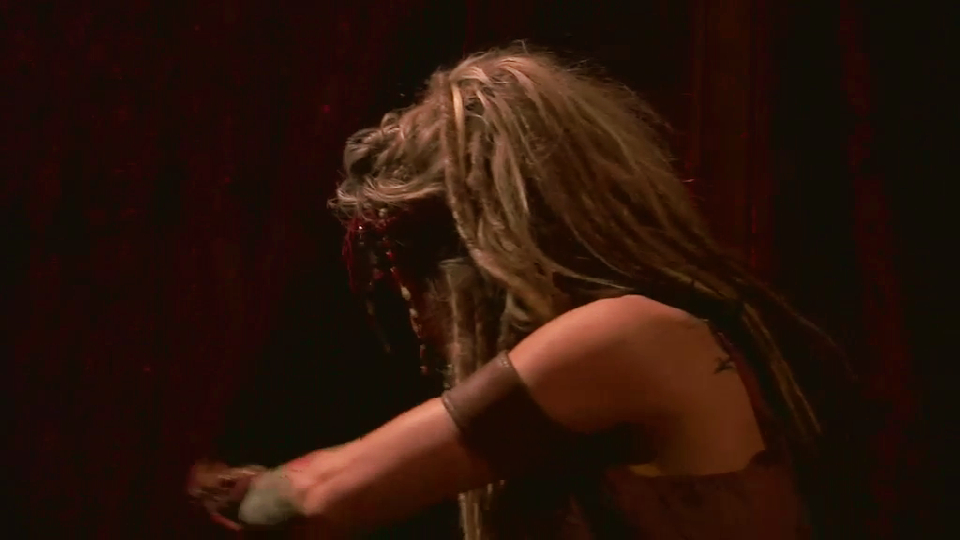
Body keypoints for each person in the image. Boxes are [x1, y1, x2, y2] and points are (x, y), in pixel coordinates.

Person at [192, 46, 852, 539]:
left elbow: (315, 499)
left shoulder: (623, 338)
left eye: (406, 262)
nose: (407, 302)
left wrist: (190, 483)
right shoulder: (683, 337)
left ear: (472, 240)